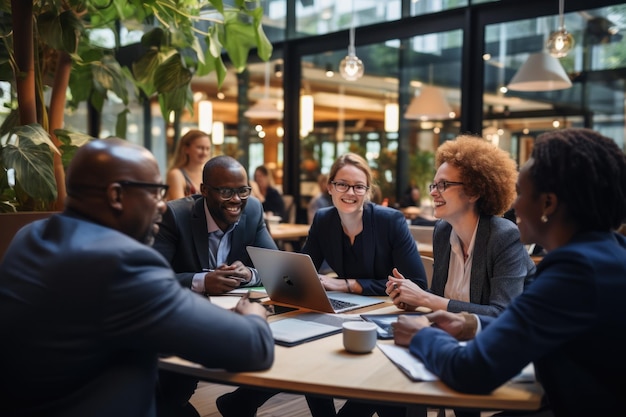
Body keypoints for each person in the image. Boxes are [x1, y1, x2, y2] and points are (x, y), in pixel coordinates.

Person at [0, 138, 274, 417]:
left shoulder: (30, 235)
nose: (163, 206)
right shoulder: (121, 264)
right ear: (116, 196)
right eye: (155, 192)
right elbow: (252, 347)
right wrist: (252, 312)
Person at [392, 128, 626, 417]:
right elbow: (534, 325)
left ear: (548, 204)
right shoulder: (606, 253)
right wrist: (469, 325)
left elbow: (471, 370)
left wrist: (421, 335)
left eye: (522, 193)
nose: (513, 205)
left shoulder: (576, 272)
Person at [217, 153, 429, 417]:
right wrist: (283, 283)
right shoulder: (324, 219)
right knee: (299, 337)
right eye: (342, 184)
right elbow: (304, 268)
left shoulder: (390, 221)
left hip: (389, 313)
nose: (350, 192)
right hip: (348, 311)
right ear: (330, 187)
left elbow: (418, 284)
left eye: (358, 186)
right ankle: (246, 400)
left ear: (367, 191)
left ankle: (242, 400)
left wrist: (346, 285)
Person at [153, 154, 278, 417]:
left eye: (242, 190)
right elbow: (154, 278)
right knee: (175, 392)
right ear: (204, 191)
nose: (236, 200)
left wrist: (249, 274)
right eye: (226, 192)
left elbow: (276, 269)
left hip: (237, 312)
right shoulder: (175, 215)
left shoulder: (252, 209)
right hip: (185, 317)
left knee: (282, 356)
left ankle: (240, 402)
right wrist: (201, 281)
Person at [388, 135, 535, 317]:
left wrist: (424, 299)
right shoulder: (443, 231)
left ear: (473, 192)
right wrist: (413, 299)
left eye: (443, 185)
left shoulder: (503, 236)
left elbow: (502, 313)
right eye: (433, 185)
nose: (433, 192)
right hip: (457, 334)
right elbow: (443, 298)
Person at [165, 129, 212, 200]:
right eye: (200, 148)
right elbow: (179, 207)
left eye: (207, 149)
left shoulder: (208, 174)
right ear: (186, 149)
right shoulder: (176, 174)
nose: (204, 153)